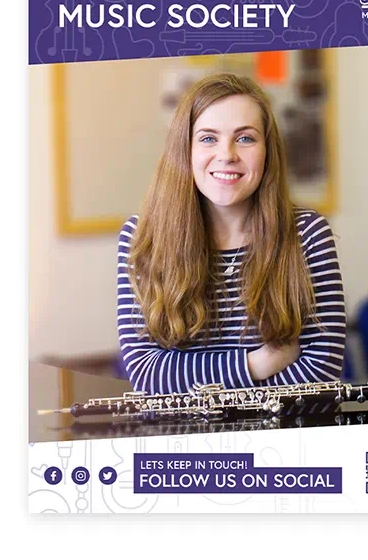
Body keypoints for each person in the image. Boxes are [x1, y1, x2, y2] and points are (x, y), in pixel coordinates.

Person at [117, 72, 345, 394]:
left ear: (268, 150)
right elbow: (147, 373)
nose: (227, 155)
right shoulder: (142, 236)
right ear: (185, 149)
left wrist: (197, 382)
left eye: (245, 138)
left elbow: (321, 370)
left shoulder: (307, 233)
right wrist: (257, 364)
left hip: (285, 426)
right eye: (208, 138)